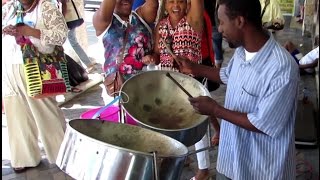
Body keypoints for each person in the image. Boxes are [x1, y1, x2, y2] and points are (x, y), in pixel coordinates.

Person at [175, 0, 300, 179]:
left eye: (222, 22)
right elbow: (227, 75)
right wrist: (194, 68)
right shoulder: (242, 51)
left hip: (261, 170)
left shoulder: (282, 68)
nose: (220, 30)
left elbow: (262, 123)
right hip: (231, 161)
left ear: (240, 21)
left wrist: (215, 110)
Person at [142, 0, 218, 179]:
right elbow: (158, 55)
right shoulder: (160, 26)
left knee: (197, 126)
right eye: (170, 1)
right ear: (165, 5)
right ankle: (178, 155)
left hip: (191, 84)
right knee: (172, 123)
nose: (175, 5)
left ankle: (204, 169)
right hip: (169, 86)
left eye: (180, 1)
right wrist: (152, 58)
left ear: (187, 4)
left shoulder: (193, 21)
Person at [2, 0, 67, 173]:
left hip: (37, 67)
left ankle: (62, 154)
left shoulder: (46, 7)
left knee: (46, 112)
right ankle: (24, 157)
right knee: (16, 113)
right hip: (9, 66)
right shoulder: (10, 8)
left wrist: (30, 32)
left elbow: (61, 35)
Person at [92, 0, 158, 84]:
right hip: (117, 90)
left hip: (145, 88)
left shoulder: (141, 16)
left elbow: (153, 4)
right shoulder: (103, 21)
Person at [59, 0, 98, 74]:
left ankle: (63, 70)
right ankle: (89, 64)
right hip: (73, 18)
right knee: (73, 42)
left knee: (61, 43)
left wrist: (62, 21)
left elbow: (64, 4)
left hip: (67, 20)